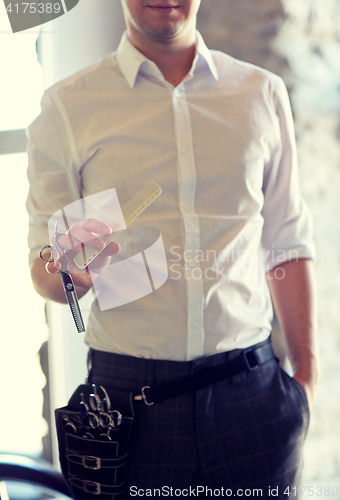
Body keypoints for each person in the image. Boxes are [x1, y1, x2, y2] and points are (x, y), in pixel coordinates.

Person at [27, 0, 320, 497]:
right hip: (127, 405)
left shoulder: (261, 93)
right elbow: (43, 270)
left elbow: (287, 241)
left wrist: (305, 379)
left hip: (252, 398)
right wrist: (76, 274)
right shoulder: (67, 106)